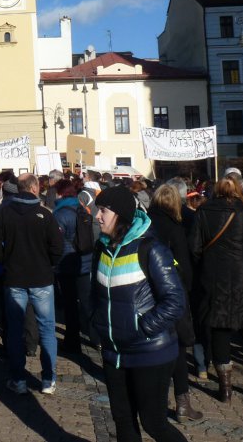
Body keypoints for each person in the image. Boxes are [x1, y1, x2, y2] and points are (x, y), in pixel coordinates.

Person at [91, 187, 188, 442]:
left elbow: (175, 301)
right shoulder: (102, 248)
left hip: (150, 352)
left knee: (153, 423)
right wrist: (97, 323)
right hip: (114, 352)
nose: (97, 216)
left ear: (120, 215)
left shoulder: (150, 248)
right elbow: (95, 294)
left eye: (103, 211)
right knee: (123, 422)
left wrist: (141, 328)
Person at [190, 175, 243, 403]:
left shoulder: (204, 211)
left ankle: (225, 390)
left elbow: (195, 247)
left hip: (216, 276)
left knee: (220, 330)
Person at [0, 172, 64, 395]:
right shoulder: (44, 214)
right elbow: (58, 247)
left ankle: (19, 378)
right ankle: (48, 379)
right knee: (46, 328)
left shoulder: (5, 213)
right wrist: (47, 263)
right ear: (34, 188)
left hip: (15, 278)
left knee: (16, 329)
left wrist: (7, 261)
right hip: (40, 278)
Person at [146, 184, 202, 423]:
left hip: (147, 291)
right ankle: (182, 402)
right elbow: (184, 266)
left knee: (151, 345)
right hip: (172, 291)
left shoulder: (144, 224)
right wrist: (187, 289)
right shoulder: (175, 228)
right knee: (177, 347)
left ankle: (152, 400)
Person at [52, 179, 91, 356]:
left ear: (61, 193)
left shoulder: (60, 213)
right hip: (85, 261)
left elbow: (56, 241)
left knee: (70, 305)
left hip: (67, 264)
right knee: (87, 303)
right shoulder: (82, 208)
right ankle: (97, 337)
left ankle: (72, 341)